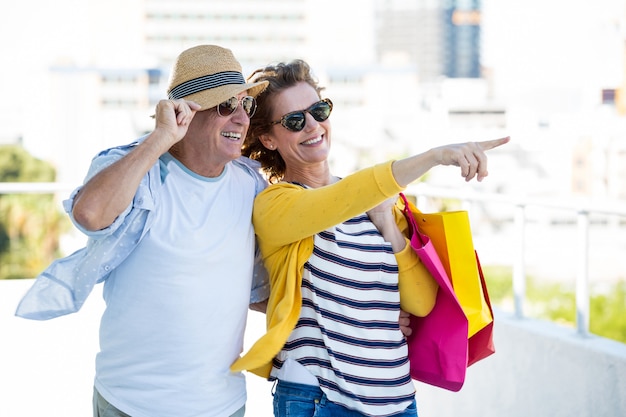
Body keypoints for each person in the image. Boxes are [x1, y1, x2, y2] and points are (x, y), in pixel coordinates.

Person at [230, 59, 510, 417]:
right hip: (320, 398)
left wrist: (389, 227)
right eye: (295, 121)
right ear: (268, 138)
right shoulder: (276, 205)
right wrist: (435, 157)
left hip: (397, 399)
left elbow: (421, 303)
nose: (313, 126)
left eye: (319, 110)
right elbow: (338, 201)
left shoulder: (373, 203)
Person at [15, 45, 271, 417]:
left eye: (245, 105)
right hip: (130, 403)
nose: (241, 119)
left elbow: (261, 282)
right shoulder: (136, 166)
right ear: (185, 113)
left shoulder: (249, 183)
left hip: (222, 405)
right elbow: (89, 215)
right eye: (224, 106)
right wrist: (161, 138)